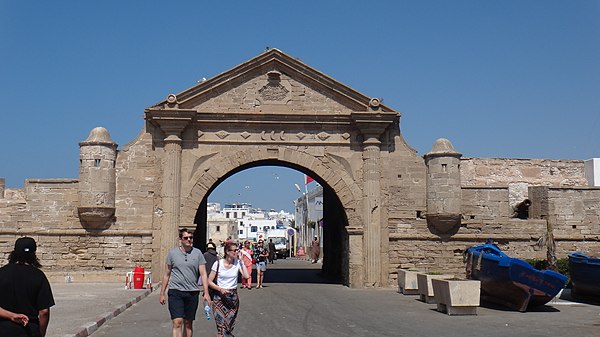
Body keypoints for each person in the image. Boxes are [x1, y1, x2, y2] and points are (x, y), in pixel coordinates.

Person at [159, 228, 211, 337]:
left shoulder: (198, 254)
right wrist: (162, 293)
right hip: (175, 291)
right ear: (181, 239)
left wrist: (206, 293)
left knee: (188, 323)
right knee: (177, 322)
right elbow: (166, 274)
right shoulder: (172, 254)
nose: (189, 240)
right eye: (186, 238)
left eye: (190, 238)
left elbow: (203, 274)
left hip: (192, 292)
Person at [0, 237, 55, 337]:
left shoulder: (1, 273)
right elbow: (44, 312)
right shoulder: (39, 276)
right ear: (33, 255)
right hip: (29, 331)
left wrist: (12, 316)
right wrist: (41, 334)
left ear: (14, 253)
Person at [207, 242, 250, 337]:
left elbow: (246, 276)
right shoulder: (218, 264)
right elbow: (209, 281)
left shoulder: (237, 263)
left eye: (237, 250)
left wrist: (242, 261)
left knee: (228, 327)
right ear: (227, 251)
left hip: (232, 297)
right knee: (221, 328)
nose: (237, 252)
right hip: (219, 297)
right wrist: (219, 288)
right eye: (234, 250)